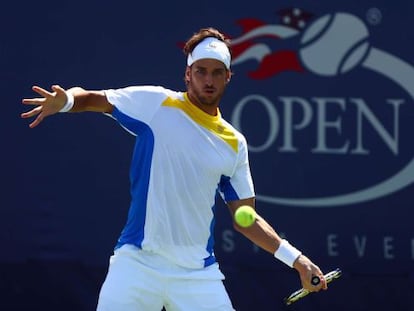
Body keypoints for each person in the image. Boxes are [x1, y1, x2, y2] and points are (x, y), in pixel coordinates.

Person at [21, 27, 327, 311]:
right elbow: (95, 100)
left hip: (198, 276)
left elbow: (246, 220)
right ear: (188, 75)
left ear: (228, 77)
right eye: (201, 71)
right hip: (137, 265)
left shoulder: (234, 143)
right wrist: (65, 101)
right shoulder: (156, 104)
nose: (208, 80)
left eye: (217, 73)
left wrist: (297, 260)